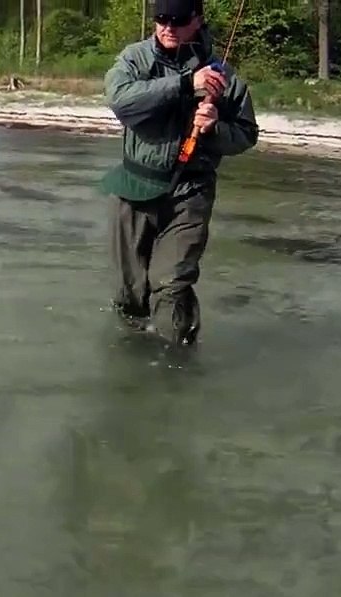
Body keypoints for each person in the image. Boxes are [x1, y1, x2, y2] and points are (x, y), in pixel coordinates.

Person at [98, 0, 259, 346]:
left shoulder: (223, 76)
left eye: (178, 19)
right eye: (161, 18)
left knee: (171, 284)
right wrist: (186, 84)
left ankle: (175, 365)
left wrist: (216, 128)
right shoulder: (135, 58)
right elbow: (121, 101)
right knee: (129, 290)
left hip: (190, 190)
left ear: (197, 20)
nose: (168, 26)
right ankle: (131, 357)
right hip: (133, 185)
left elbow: (246, 135)